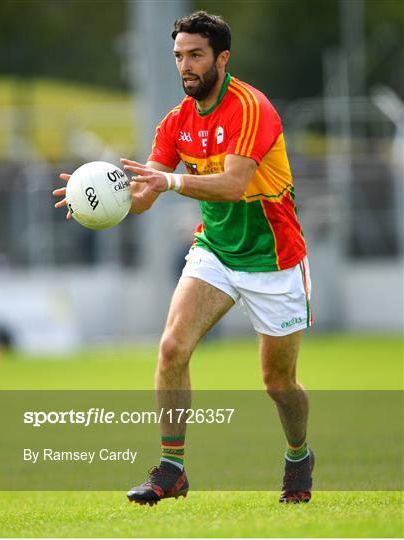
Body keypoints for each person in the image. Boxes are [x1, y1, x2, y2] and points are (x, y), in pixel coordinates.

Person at [54, 10, 314, 505]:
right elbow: (146, 192)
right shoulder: (176, 122)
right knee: (172, 347)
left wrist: (170, 181)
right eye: (178, 57)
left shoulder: (250, 108)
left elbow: (235, 184)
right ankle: (172, 469)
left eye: (196, 55)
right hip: (215, 250)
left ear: (223, 58)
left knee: (278, 382)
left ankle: (298, 454)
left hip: (274, 256)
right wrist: (97, 199)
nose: (186, 66)